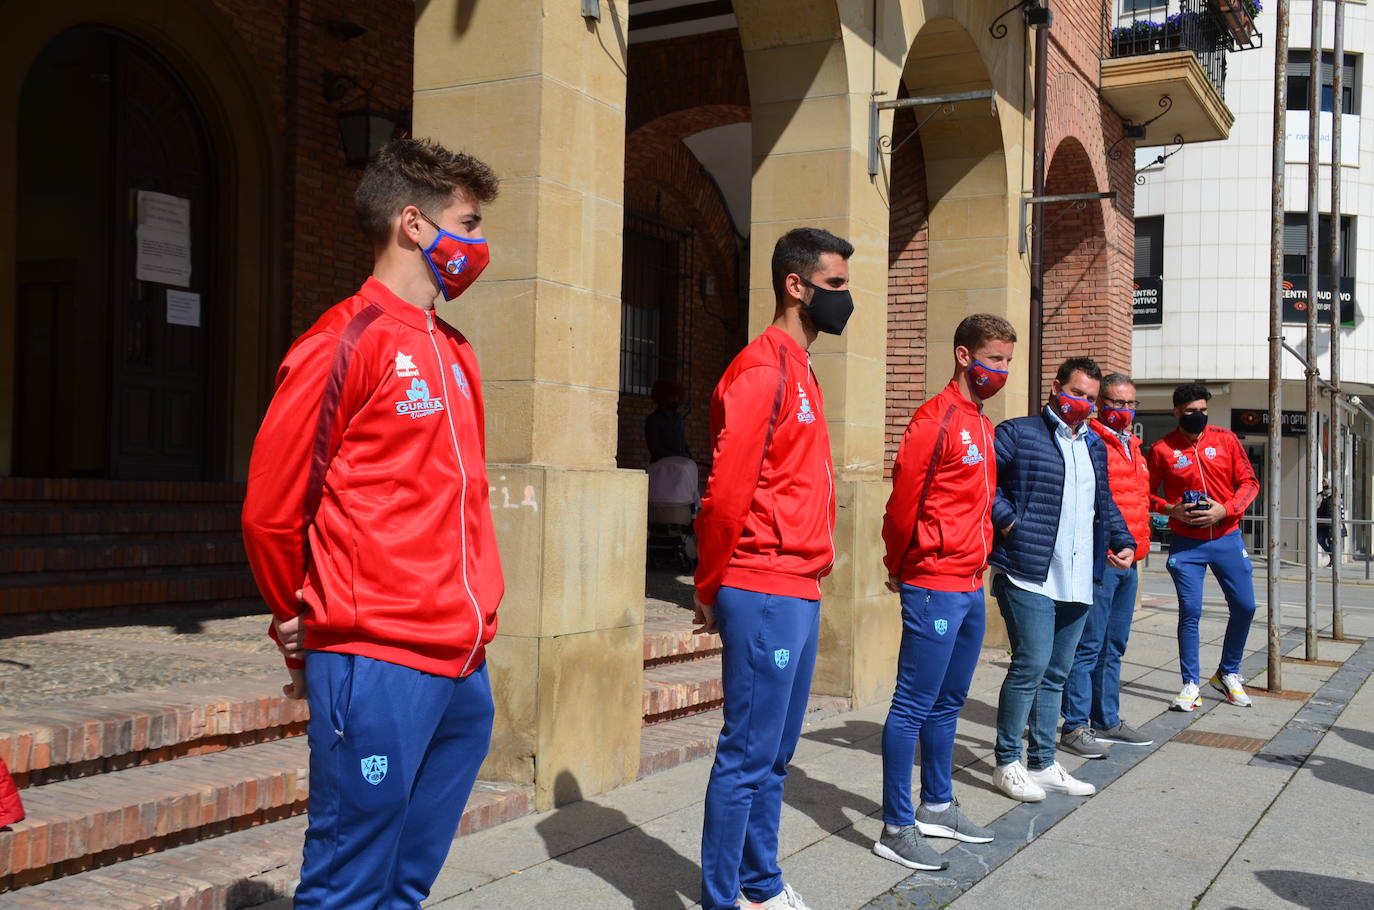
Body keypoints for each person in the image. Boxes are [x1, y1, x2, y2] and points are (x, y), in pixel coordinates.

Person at [242, 138, 504, 909]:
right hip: (376, 656)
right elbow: (272, 509)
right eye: (471, 221)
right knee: (348, 877)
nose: (480, 243)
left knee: (407, 879)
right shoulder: (341, 342)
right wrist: (295, 614)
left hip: (462, 663)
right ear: (416, 224)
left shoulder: (455, 350)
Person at [694, 227, 854, 910]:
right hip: (762, 583)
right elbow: (726, 493)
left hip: (796, 583)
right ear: (797, 285)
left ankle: (758, 884)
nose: (846, 299)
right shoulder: (764, 368)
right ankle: (722, 897)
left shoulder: (801, 365)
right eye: (837, 285)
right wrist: (707, 586)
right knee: (747, 755)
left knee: (774, 754)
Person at [873, 314, 1016, 871]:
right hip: (932, 582)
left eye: (1008, 360)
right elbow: (903, 503)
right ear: (964, 355)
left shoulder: (981, 423)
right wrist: (899, 563)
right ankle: (896, 824)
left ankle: (937, 803)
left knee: (949, 702)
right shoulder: (934, 421)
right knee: (912, 705)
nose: (1001, 370)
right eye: (995, 359)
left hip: (970, 583)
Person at [988, 357, 1136, 802]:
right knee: (1031, 664)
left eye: (1091, 398)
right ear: (1056, 388)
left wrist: (1123, 538)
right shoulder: (1018, 433)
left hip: (1077, 575)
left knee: (1057, 671)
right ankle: (1008, 761)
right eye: (1078, 394)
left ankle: (1044, 761)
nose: (1084, 404)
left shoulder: (1093, 445)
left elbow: (1102, 501)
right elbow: (984, 482)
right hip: (1028, 570)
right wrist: (1009, 522)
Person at [1147, 382, 1260, 711]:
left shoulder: (1225, 440)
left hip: (1227, 536)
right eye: (1190, 412)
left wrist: (1226, 509)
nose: (1198, 416)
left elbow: (1249, 482)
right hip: (1187, 543)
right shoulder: (1162, 449)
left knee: (1245, 607)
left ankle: (1228, 672)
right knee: (1191, 612)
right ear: (1176, 412)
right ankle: (1190, 684)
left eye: (1203, 411)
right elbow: (1147, 494)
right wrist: (1170, 510)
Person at [1059, 373, 1155, 757]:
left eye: (1130, 404)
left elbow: (1139, 501)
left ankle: (1106, 718)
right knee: (1089, 645)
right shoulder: (1093, 440)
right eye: (1116, 402)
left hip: (1131, 561)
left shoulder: (1133, 445)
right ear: (1102, 404)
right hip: (1104, 558)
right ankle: (1075, 724)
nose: (1124, 411)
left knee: (1114, 644)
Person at [646, 378, 693, 462]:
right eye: (673, 398)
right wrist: (679, 456)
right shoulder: (653, 420)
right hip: (663, 467)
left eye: (678, 397)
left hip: (680, 467)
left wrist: (688, 456)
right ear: (663, 399)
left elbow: (683, 442)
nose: (677, 401)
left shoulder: (678, 418)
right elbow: (656, 450)